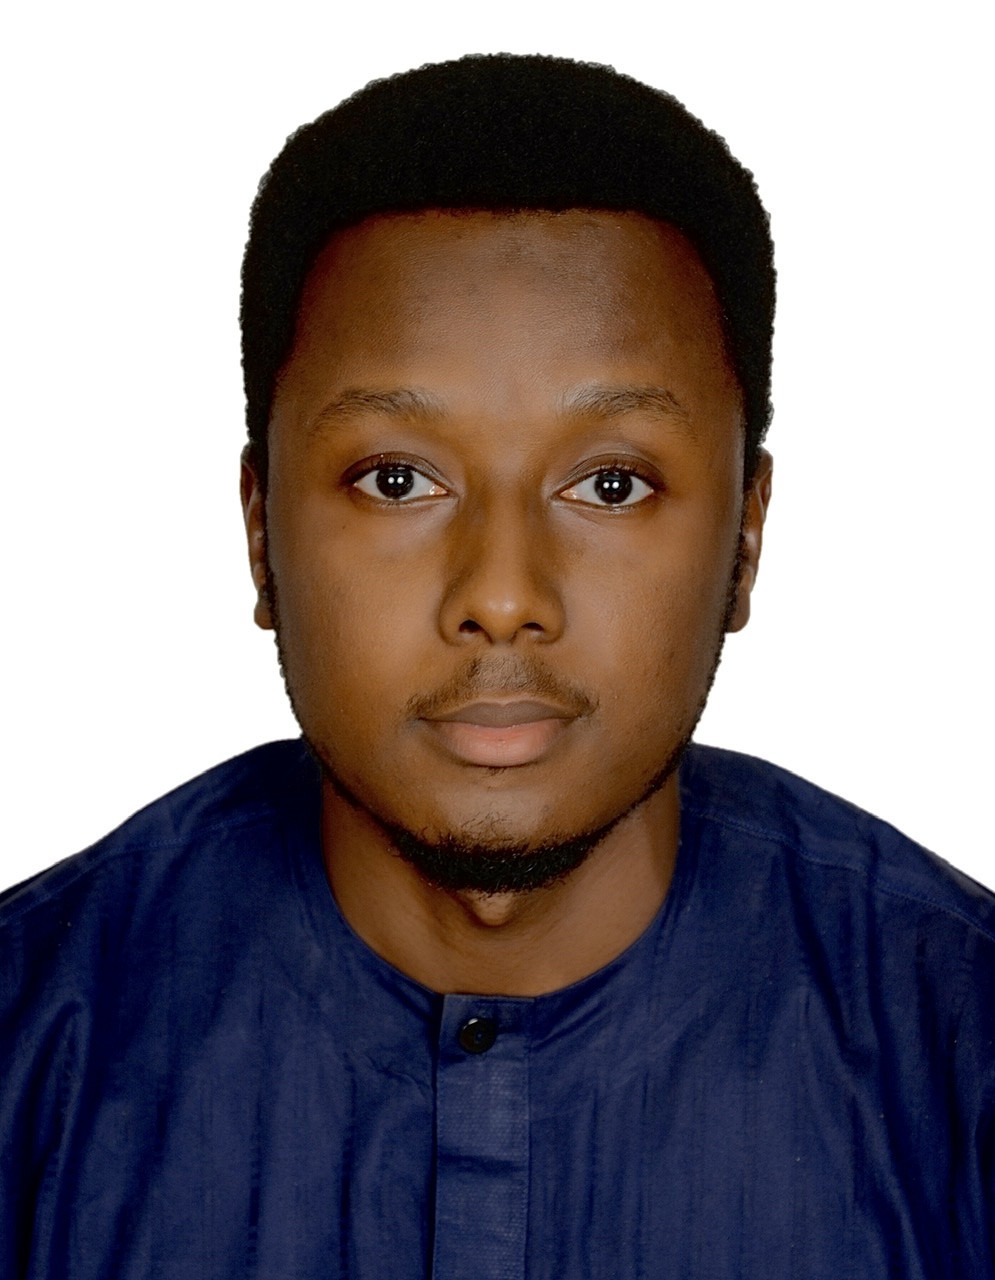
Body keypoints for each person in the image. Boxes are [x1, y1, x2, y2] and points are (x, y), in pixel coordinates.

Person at [1, 52, 991, 1280]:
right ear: (260, 534)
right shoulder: (33, 1048)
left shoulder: (958, 1053)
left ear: (744, 539)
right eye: (396, 478)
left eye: (610, 483)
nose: (503, 595)